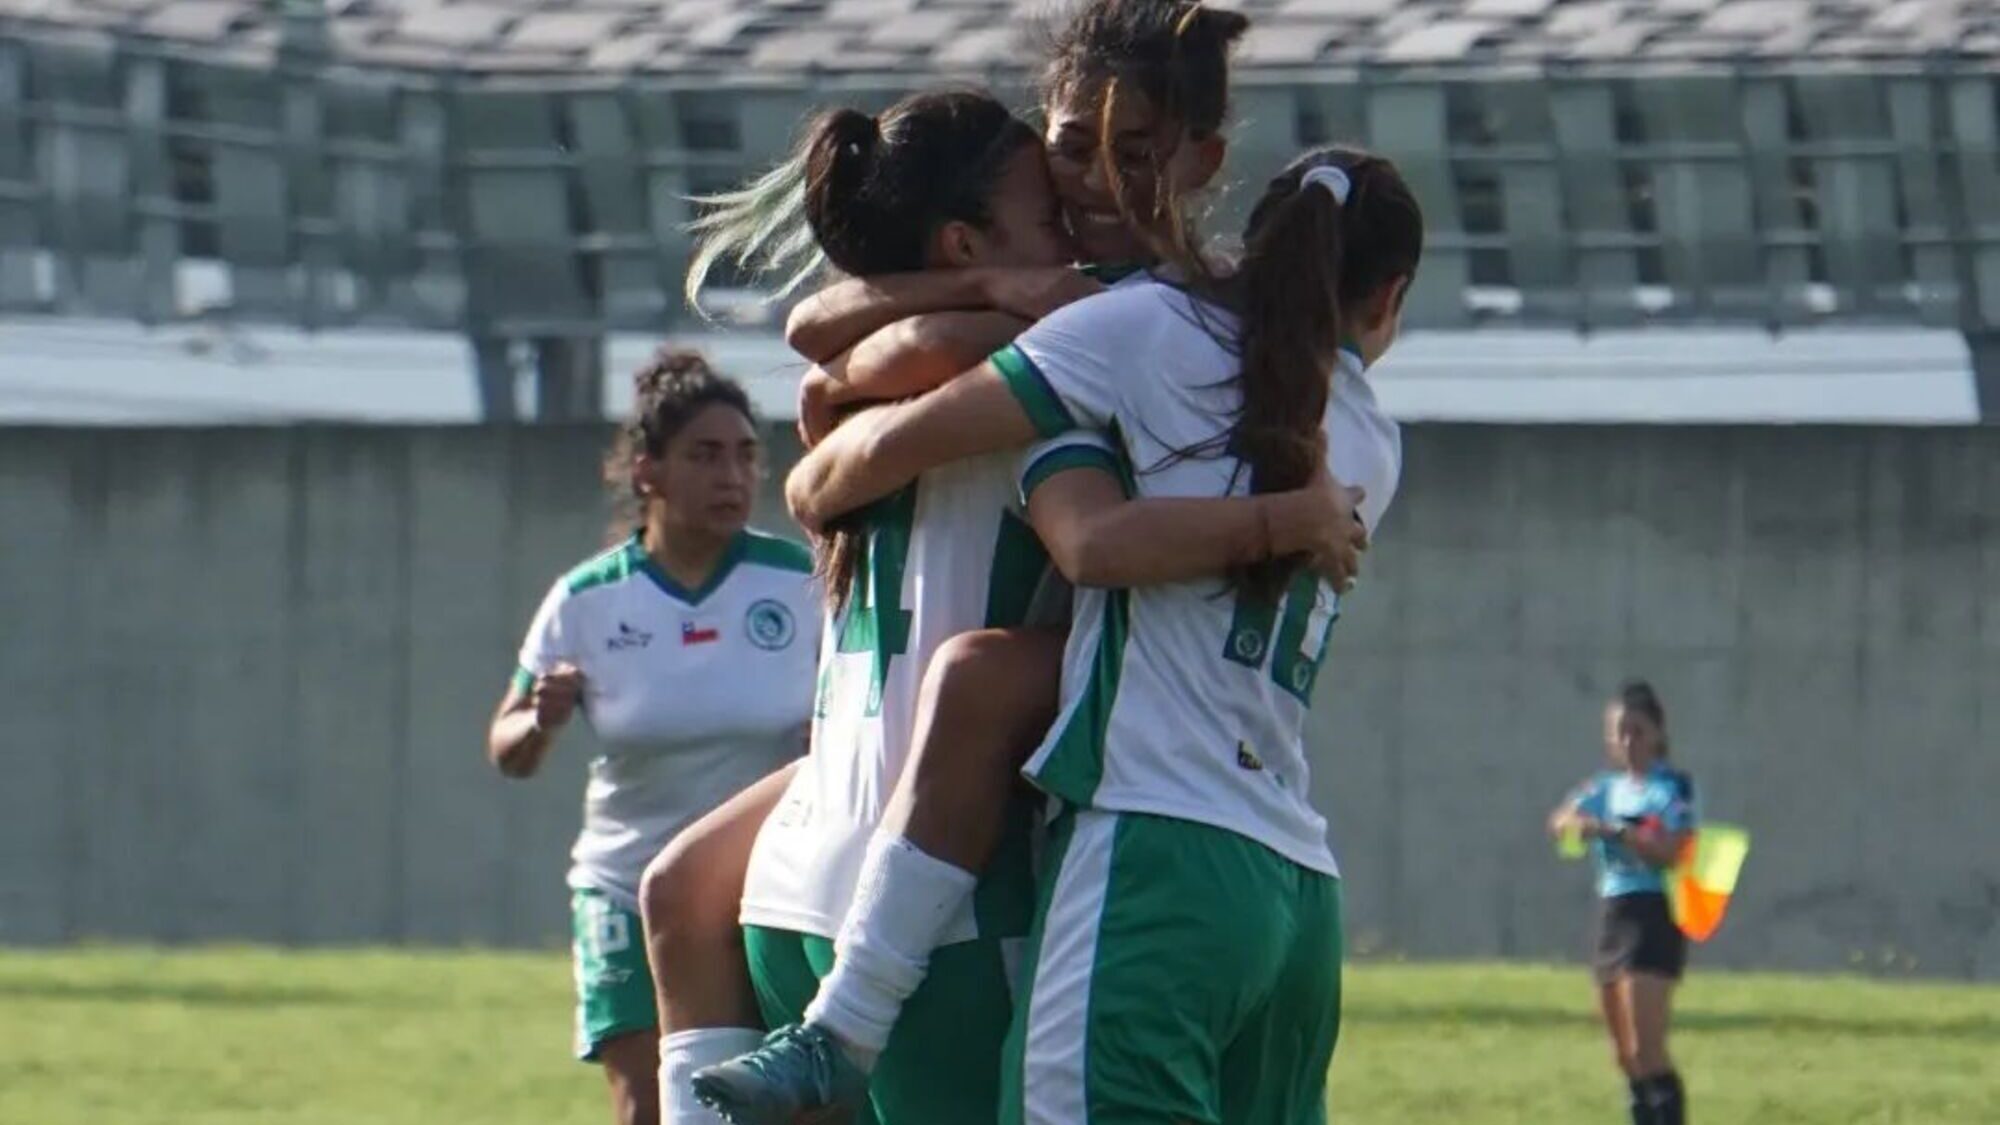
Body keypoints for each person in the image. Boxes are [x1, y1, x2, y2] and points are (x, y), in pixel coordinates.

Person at [664, 82, 1367, 1125]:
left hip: (794, 876)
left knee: (675, 885)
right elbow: (1088, 536)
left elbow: (824, 346)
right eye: (1050, 194)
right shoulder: (1107, 353)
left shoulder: (936, 353)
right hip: (943, 906)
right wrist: (1288, 518)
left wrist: (828, 455)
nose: (1077, 199)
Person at [486, 349, 821, 1125]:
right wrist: (541, 717)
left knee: (778, 1107)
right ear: (648, 473)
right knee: (647, 1110)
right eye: (704, 455)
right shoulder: (587, 599)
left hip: (761, 888)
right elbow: (505, 745)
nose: (732, 476)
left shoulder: (797, 580)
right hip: (623, 887)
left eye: (745, 455)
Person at [1548, 680, 1697, 1125]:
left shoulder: (1672, 787)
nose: (1628, 741)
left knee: (1648, 1048)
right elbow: (1560, 821)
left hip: (1652, 914)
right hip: (1612, 913)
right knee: (1625, 1054)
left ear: (1657, 733)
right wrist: (1581, 824)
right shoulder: (1606, 787)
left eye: (1637, 730)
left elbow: (1673, 848)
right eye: (1620, 732)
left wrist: (1620, 833)